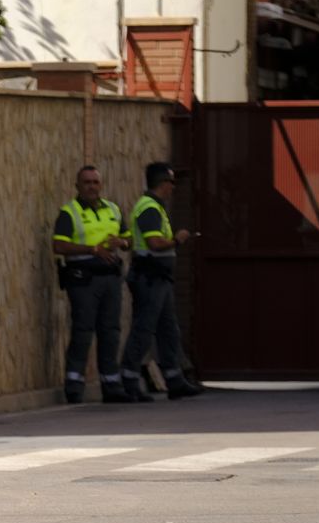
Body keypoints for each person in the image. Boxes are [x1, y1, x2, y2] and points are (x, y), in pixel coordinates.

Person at [121, 162, 205, 401]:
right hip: (150, 277)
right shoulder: (149, 208)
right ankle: (129, 380)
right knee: (144, 329)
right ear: (163, 183)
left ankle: (175, 380)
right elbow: (155, 243)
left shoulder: (155, 206)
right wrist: (178, 240)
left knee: (169, 330)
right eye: (171, 182)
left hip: (159, 278)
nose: (173, 187)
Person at [51, 165, 133, 404]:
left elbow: (129, 238)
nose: (91, 187)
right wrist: (92, 249)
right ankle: (74, 385)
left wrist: (122, 243)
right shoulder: (69, 212)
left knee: (111, 331)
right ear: (77, 186)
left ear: (101, 185)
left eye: (95, 182)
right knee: (83, 330)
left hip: (110, 278)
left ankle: (111, 384)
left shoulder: (113, 209)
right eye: (86, 182)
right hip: (83, 278)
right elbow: (59, 245)